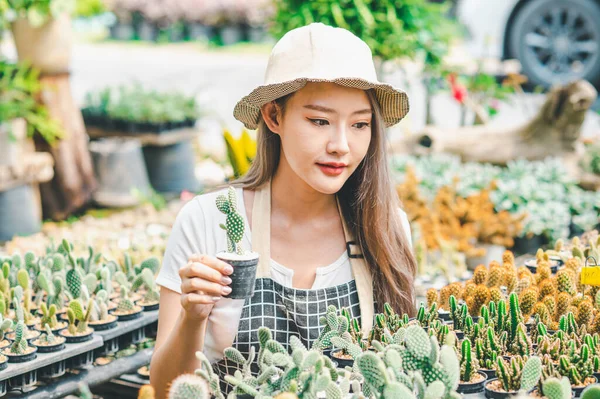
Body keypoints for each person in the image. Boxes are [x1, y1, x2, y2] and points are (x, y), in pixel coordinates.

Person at [150, 22, 417, 398]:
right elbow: (162, 389)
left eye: (360, 124)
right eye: (319, 121)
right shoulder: (207, 220)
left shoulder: (387, 228)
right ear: (274, 117)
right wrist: (193, 317)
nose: (341, 145)